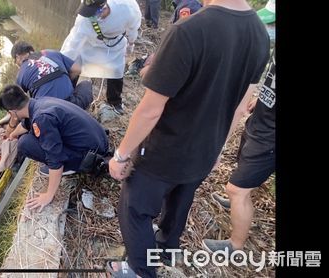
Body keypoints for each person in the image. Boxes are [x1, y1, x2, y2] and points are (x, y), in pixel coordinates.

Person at [107, 0, 270, 276]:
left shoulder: (189, 29)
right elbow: (241, 107)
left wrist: (121, 154)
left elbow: (150, 109)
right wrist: (218, 148)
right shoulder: (260, 34)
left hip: (165, 149)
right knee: (180, 202)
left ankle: (139, 269)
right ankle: (167, 248)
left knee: (135, 208)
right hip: (205, 150)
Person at [203, 0, 276, 254]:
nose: (270, 27)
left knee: (236, 189)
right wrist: (263, 97)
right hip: (261, 122)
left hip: (270, 138)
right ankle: (239, 198)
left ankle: (236, 244)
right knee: (241, 177)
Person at [0, 84, 110, 211]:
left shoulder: (41, 118)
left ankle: (70, 167)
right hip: (100, 142)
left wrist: (48, 195)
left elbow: (55, 159)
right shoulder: (39, 102)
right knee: (28, 136)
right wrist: (12, 134)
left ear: (12, 112)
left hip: (91, 158)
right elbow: (25, 124)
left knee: (25, 143)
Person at [61, 0, 141, 115]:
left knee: (116, 70)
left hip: (114, 43)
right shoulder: (85, 18)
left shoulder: (128, 8)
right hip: (90, 42)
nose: (92, 16)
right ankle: (67, 96)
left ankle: (115, 102)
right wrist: (63, 63)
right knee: (74, 65)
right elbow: (75, 41)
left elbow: (133, 27)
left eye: (94, 12)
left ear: (104, 7)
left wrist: (131, 43)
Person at [11, 41, 93, 110]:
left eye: (15, 61)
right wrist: (67, 80)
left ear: (17, 57)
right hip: (72, 107)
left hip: (46, 113)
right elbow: (77, 69)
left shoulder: (21, 73)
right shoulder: (51, 52)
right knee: (86, 83)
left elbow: (17, 101)